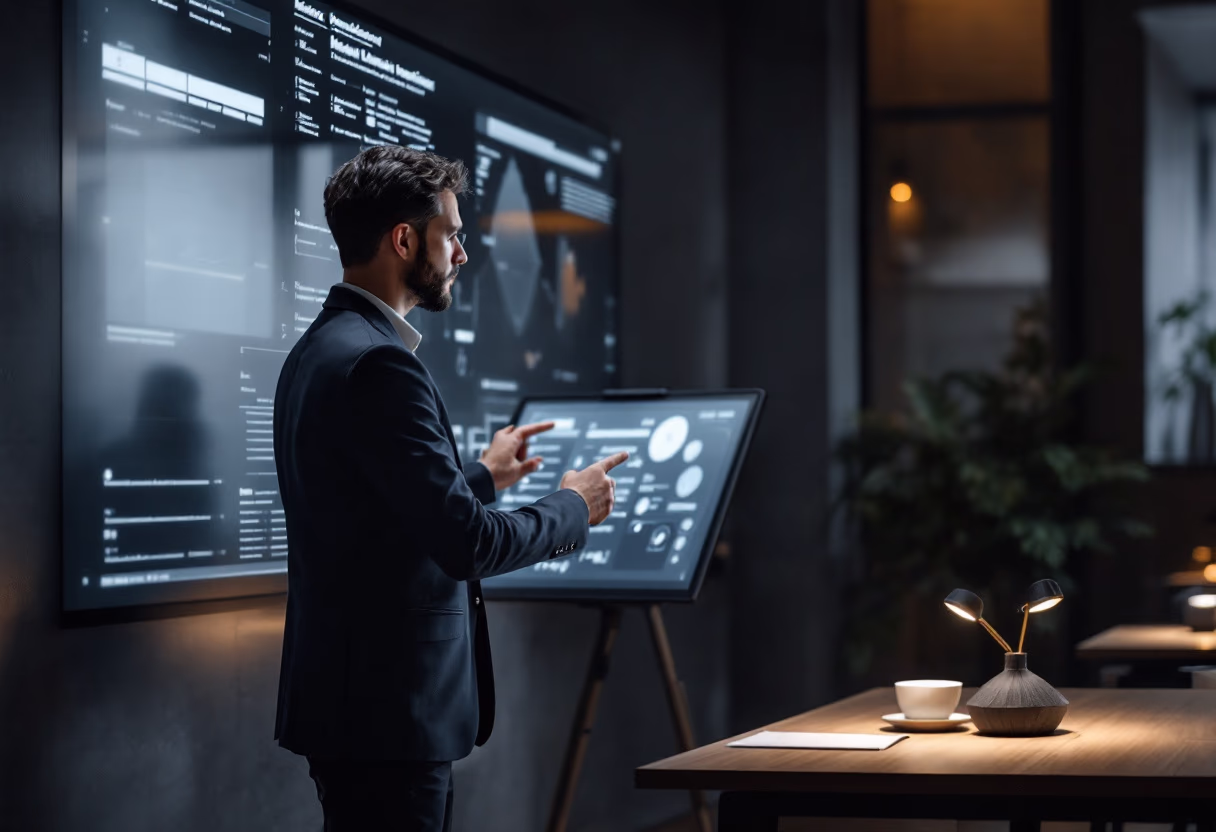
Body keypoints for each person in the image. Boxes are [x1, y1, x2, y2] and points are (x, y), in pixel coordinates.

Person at [272, 145, 627, 831]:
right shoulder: (381, 365)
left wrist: (482, 476)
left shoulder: (318, 351)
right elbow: (466, 544)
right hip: (389, 716)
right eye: (452, 233)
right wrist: (573, 507)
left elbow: (373, 515)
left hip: (350, 710)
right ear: (404, 240)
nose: (462, 253)